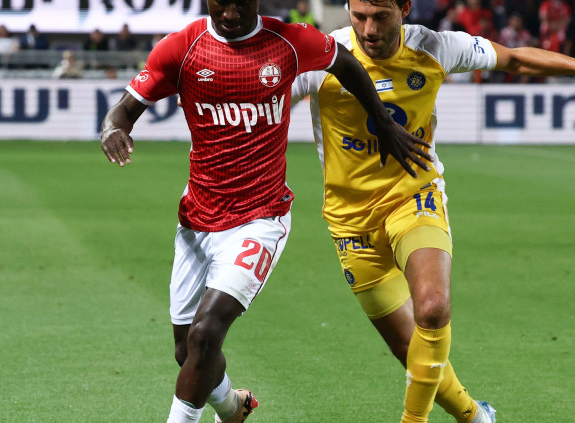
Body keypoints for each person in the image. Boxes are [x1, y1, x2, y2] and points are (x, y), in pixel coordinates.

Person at [291, 0, 575, 422]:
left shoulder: (434, 47)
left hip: (414, 197)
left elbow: (512, 58)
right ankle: (475, 416)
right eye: (359, 16)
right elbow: (266, 98)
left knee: (433, 307)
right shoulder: (323, 56)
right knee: (408, 348)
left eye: (381, 17)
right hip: (350, 220)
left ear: (405, 8)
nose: (368, 29)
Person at [100, 1, 429, 422]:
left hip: (261, 217)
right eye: (221, 2)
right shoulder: (181, 48)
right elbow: (125, 109)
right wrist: (112, 128)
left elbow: (346, 63)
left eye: (241, 2)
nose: (230, 13)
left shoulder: (290, 42)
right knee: (188, 352)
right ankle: (232, 407)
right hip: (198, 218)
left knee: (205, 333)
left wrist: (382, 122)